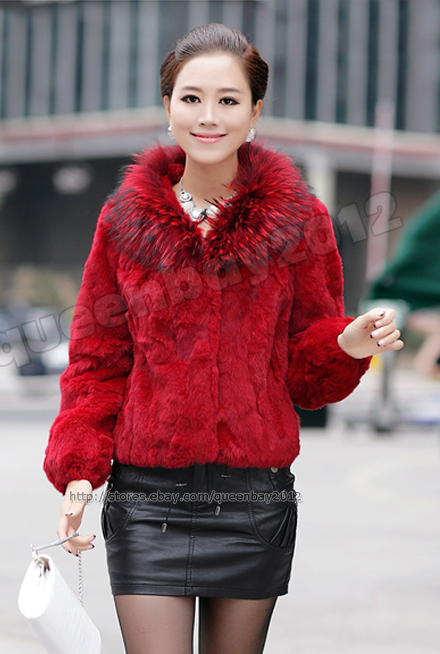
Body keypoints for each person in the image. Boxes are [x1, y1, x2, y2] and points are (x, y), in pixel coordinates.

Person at [43, 23, 404, 654]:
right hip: (146, 502)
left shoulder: (302, 222)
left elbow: (305, 377)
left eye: (228, 100)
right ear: (168, 106)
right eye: (191, 98)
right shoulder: (123, 222)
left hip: (253, 502)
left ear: (255, 112)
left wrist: (346, 346)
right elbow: (97, 361)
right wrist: (80, 470)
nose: (208, 116)